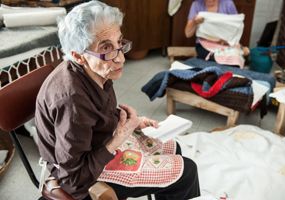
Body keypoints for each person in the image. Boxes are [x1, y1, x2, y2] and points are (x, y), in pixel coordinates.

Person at [35, 1, 200, 200]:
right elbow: (73, 179)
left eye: (119, 43)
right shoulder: (71, 100)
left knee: (175, 149)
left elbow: (95, 114)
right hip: (82, 176)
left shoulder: (95, 71)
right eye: (107, 48)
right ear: (78, 56)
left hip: (96, 143)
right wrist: (118, 139)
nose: (120, 58)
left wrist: (132, 122)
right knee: (187, 171)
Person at [185, 0, 249, 66]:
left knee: (235, 59)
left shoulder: (228, 4)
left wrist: (226, 40)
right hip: (204, 45)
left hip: (226, 43)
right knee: (217, 60)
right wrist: (194, 22)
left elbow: (236, 27)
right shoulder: (196, 5)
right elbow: (188, 34)